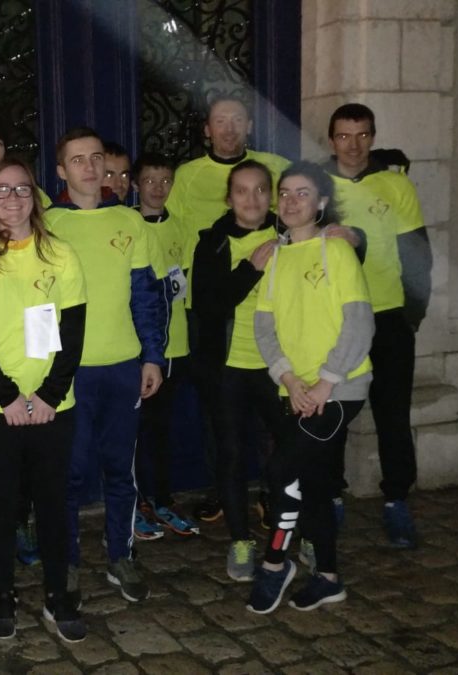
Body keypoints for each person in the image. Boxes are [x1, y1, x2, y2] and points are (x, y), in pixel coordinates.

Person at [0, 157, 88, 641]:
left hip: (54, 405)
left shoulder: (61, 254)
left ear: (36, 195)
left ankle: (57, 596)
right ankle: (3, 594)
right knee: (0, 506)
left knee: (53, 504)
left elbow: (72, 333)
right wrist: (8, 397)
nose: (12, 198)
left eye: (21, 189)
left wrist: (48, 394)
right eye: (1, 191)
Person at [46, 127, 168, 604]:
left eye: (97, 158)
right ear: (61, 171)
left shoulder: (130, 221)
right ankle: (68, 562)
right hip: (69, 374)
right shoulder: (48, 224)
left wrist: (153, 356)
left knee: (121, 471)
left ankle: (121, 554)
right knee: (70, 475)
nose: (90, 167)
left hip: (122, 368)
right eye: (78, 160)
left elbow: (147, 296)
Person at [246, 161, 374, 614]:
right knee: (316, 484)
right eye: (284, 193)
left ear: (321, 203)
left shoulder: (335, 251)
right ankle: (329, 577)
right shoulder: (276, 256)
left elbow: (359, 324)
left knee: (282, 471)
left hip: (339, 390)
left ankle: (276, 564)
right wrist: (287, 377)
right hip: (296, 390)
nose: (290, 201)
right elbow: (265, 329)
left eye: (303, 194)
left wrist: (324, 384)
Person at [167, 95, 291, 523]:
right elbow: (176, 236)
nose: (229, 128)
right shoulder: (187, 176)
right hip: (208, 307)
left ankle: (275, 493)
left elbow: (309, 207)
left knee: (276, 414)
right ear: (207, 128)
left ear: (249, 125)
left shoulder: (273, 164)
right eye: (220, 121)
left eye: (237, 120)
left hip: (275, 316)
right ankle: (226, 491)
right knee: (217, 414)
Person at [323, 103, 432, 549]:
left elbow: (417, 253)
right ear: (331, 140)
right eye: (344, 136)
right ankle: (330, 494)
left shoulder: (395, 183)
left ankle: (396, 501)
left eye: (363, 135)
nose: (354, 145)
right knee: (333, 413)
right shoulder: (314, 185)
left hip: (387, 316)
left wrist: (413, 314)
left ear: (373, 136)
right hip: (336, 319)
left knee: (392, 414)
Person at [190, 160, 288, 581]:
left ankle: (292, 536)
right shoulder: (211, 243)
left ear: (272, 194)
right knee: (230, 455)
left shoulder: (293, 235)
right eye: (243, 191)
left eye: (261, 190)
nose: (252, 199)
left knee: (287, 455)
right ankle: (241, 541)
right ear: (229, 199)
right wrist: (250, 269)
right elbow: (208, 307)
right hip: (228, 367)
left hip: (280, 367)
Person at [131, 152, 200, 539]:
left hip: (176, 348)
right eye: (150, 181)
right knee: (137, 432)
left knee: (162, 431)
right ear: (136, 185)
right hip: (139, 351)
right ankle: (137, 503)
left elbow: (186, 283)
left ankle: (161, 500)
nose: (158, 189)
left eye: (165, 181)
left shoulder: (184, 228)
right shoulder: (128, 226)